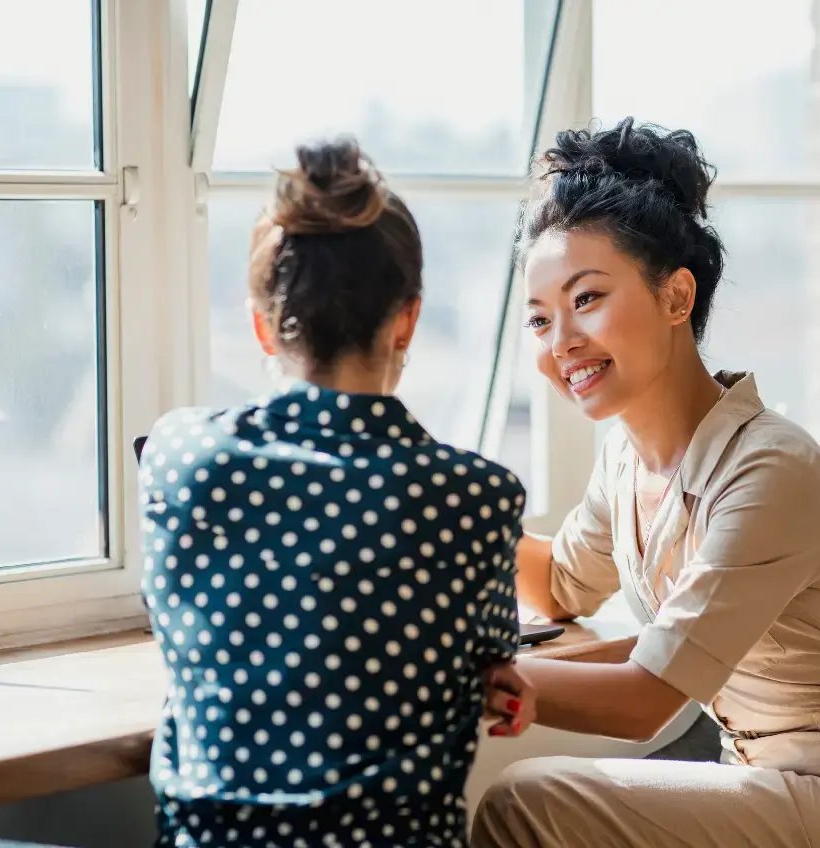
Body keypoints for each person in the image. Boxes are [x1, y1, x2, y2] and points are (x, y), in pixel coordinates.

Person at [471, 118, 820, 848]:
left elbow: (647, 699)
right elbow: (561, 586)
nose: (561, 344)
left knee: (525, 800)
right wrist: (435, 507)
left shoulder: (770, 468)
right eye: (539, 319)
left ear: (677, 299)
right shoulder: (625, 460)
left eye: (586, 300)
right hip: (767, 785)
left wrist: (470, 674)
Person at [140, 138, 534, 848]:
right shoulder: (476, 497)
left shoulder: (177, 456)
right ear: (407, 318)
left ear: (263, 326)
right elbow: (490, 664)